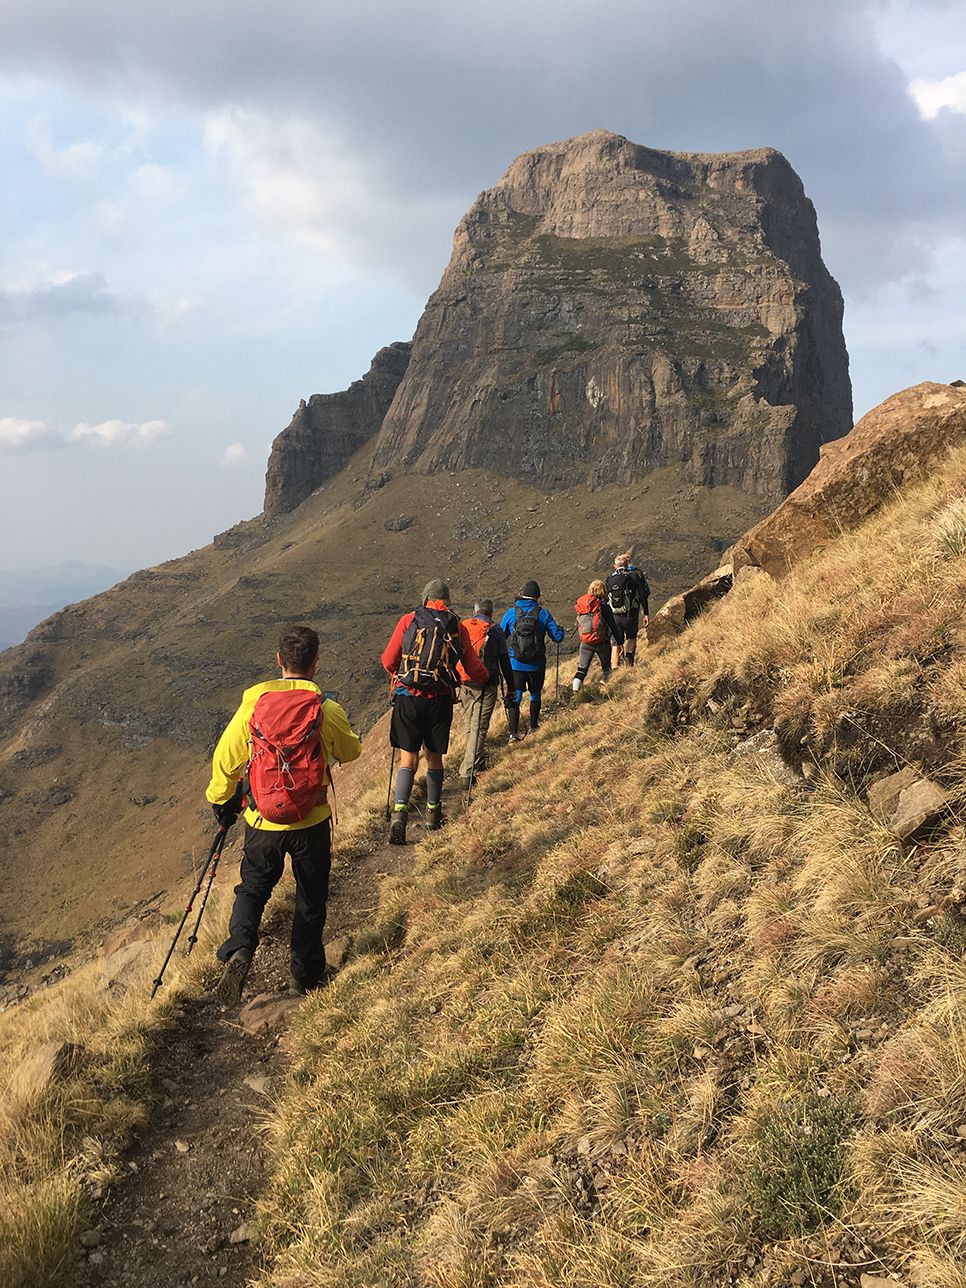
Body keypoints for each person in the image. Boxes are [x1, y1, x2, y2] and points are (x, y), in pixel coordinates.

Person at [206, 625, 362, 1005]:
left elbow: (226, 761)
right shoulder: (325, 709)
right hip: (311, 821)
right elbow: (353, 751)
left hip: (263, 822)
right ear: (315, 662)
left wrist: (220, 799)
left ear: (279, 661)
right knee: (310, 896)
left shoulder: (252, 708)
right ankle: (304, 976)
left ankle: (240, 949)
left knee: (253, 889)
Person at [382, 578, 489, 844]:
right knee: (434, 757)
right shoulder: (456, 625)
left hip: (409, 698)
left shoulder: (409, 620)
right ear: (447, 601)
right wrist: (486, 677)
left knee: (408, 759)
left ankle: (400, 814)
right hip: (440, 699)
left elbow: (388, 661)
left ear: (425, 599)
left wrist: (403, 675)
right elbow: (472, 667)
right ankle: (433, 813)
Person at [458, 598, 519, 784]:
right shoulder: (495, 630)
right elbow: (504, 661)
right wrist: (511, 687)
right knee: (480, 727)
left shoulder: (463, 626)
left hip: (465, 683)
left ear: (474, 611)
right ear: (491, 613)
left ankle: (478, 761)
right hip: (487, 684)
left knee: (470, 725)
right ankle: (467, 771)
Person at [499, 579, 565, 736]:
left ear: (522, 595)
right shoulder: (543, 613)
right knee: (536, 694)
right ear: (537, 597)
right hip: (536, 664)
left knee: (517, 694)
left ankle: (513, 733)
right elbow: (557, 637)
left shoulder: (511, 612)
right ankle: (534, 727)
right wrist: (561, 629)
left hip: (515, 663)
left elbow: (501, 635)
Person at [606, 552, 651, 669]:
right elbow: (642, 596)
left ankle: (615, 669)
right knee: (631, 638)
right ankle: (628, 662)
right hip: (630, 614)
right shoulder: (634, 577)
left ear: (615, 566)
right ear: (627, 565)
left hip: (614, 616)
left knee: (615, 643)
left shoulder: (609, 579)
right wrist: (646, 613)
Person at [572, 579, 618, 691]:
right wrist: (619, 641)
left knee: (582, 669)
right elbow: (612, 625)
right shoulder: (604, 607)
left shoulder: (583, 606)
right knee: (606, 668)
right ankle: (607, 691)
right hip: (602, 642)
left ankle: (575, 690)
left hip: (586, 642)